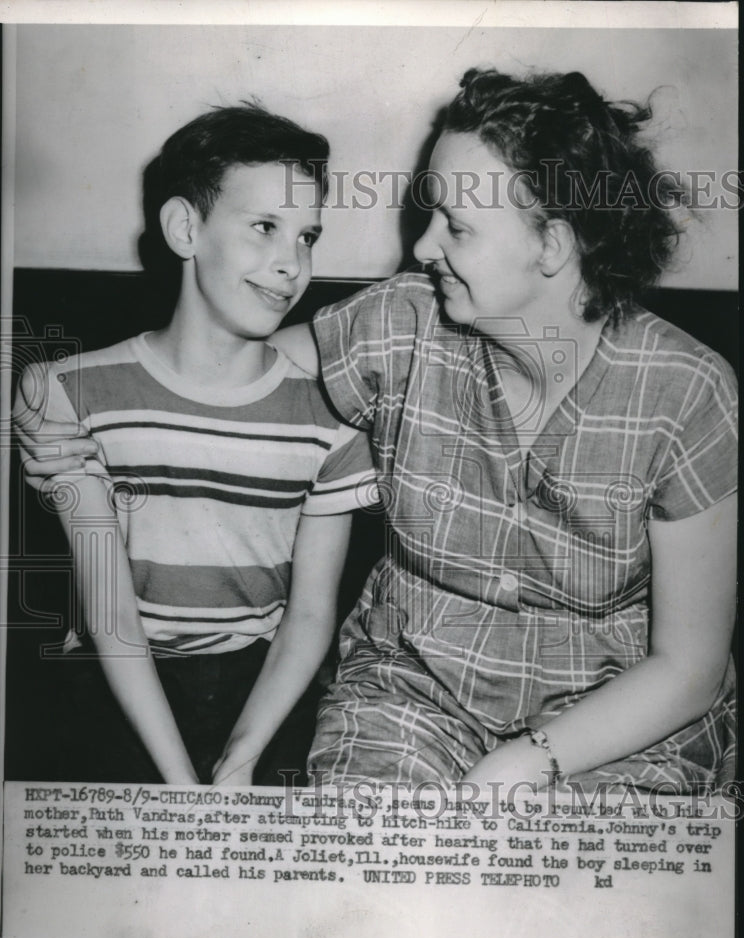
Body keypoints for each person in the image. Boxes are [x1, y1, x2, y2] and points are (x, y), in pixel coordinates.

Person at [19, 69, 737, 793]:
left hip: (615, 722)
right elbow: (226, 369)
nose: (422, 247)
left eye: (455, 226)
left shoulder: (685, 393)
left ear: (551, 245)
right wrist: (37, 404)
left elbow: (688, 666)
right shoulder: (401, 324)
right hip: (411, 697)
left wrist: (531, 760)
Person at [13, 104, 376, 786]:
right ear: (185, 227)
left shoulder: (332, 416)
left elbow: (309, 615)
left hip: (261, 684)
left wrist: (240, 756)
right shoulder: (69, 393)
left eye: (307, 237)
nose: (290, 263)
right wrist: (185, 789)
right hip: (114, 674)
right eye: (265, 227)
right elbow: (111, 615)